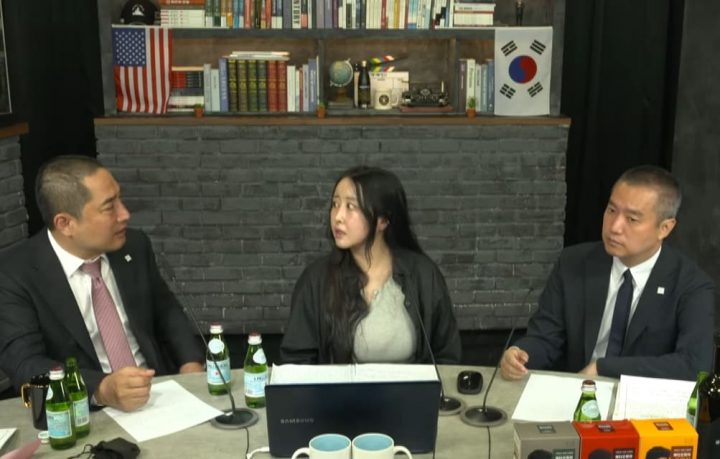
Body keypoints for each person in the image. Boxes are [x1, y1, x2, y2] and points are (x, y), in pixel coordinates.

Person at [0, 156, 204, 411]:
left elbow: (166, 310)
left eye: (120, 198)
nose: (125, 214)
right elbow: (25, 365)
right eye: (109, 207)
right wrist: (101, 388)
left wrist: (190, 363)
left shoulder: (134, 246)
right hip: (84, 409)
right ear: (65, 223)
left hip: (159, 394)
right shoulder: (13, 274)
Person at [501, 165, 714, 381]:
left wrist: (603, 368)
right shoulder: (573, 262)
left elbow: (695, 365)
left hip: (643, 396)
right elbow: (546, 337)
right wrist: (521, 354)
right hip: (577, 391)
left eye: (632, 219)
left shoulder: (691, 285)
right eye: (611, 211)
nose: (614, 227)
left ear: (664, 228)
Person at [280, 166, 461, 364]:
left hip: (413, 386)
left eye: (351, 206)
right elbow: (297, 360)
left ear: (383, 220)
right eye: (335, 204)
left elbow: (447, 356)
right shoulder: (316, 280)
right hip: (338, 386)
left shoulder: (422, 274)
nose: (338, 216)